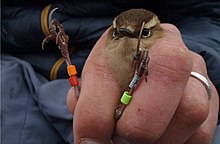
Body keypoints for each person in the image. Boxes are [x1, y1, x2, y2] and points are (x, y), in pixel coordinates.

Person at [1, 0, 220, 144]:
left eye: (142, 34)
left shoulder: (151, 50)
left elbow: (208, 15)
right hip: (14, 68)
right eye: (118, 34)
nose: (128, 40)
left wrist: (191, 62)